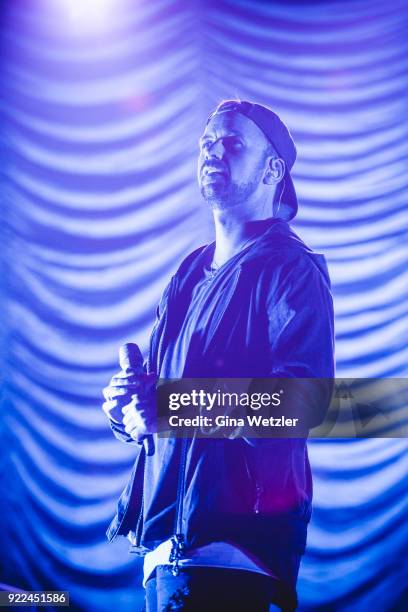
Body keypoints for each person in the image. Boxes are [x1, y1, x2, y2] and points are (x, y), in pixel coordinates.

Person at [102, 100, 335, 611]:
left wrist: (171, 406)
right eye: (208, 142)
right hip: (164, 550)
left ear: (274, 169)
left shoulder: (291, 270)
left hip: (233, 552)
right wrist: (131, 410)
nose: (214, 151)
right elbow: (160, 408)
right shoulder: (188, 272)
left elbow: (303, 402)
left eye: (232, 143)